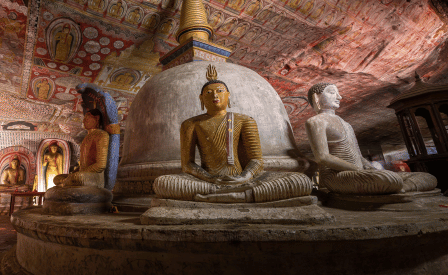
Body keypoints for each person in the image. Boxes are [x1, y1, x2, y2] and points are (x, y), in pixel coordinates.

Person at [152, 65, 312, 202]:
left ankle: (220, 196)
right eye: (208, 93)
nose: (214, 95)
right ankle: (244, 196)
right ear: (201, 98)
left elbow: (256, 160)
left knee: (301, 181)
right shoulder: (190, 124)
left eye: (220, 91)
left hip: (242, 178)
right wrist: (210, 178)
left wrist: (244, 177)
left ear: (228, 96)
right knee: (163, 183)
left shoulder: (244, 120)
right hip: (208, 180)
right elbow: (187, 164)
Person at [305, 83, 437, 194]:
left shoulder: (347, 124)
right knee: (386, 179)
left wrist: (370, 168)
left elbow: (359, 155)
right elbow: (322, 157)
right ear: (316, 97)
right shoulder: (316, 122)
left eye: (338, 93)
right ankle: (396, 187)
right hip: (336, 175)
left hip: (362, 174)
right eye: (332, 92)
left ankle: (401, 189)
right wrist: (358, 170)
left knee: (427, 177)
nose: (339, 97)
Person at [54, 110, 109, 188]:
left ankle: (66, 183)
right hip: (82, 174)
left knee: (78, 177)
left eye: (86, 119)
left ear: (97, 118)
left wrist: (79, 174)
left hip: (94, 176)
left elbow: (101, 165)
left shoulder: (102, 135)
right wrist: (73, 173)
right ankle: (66, 182)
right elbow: (83, 165)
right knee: (57, 178)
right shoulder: (86, 138)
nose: (83, 121)